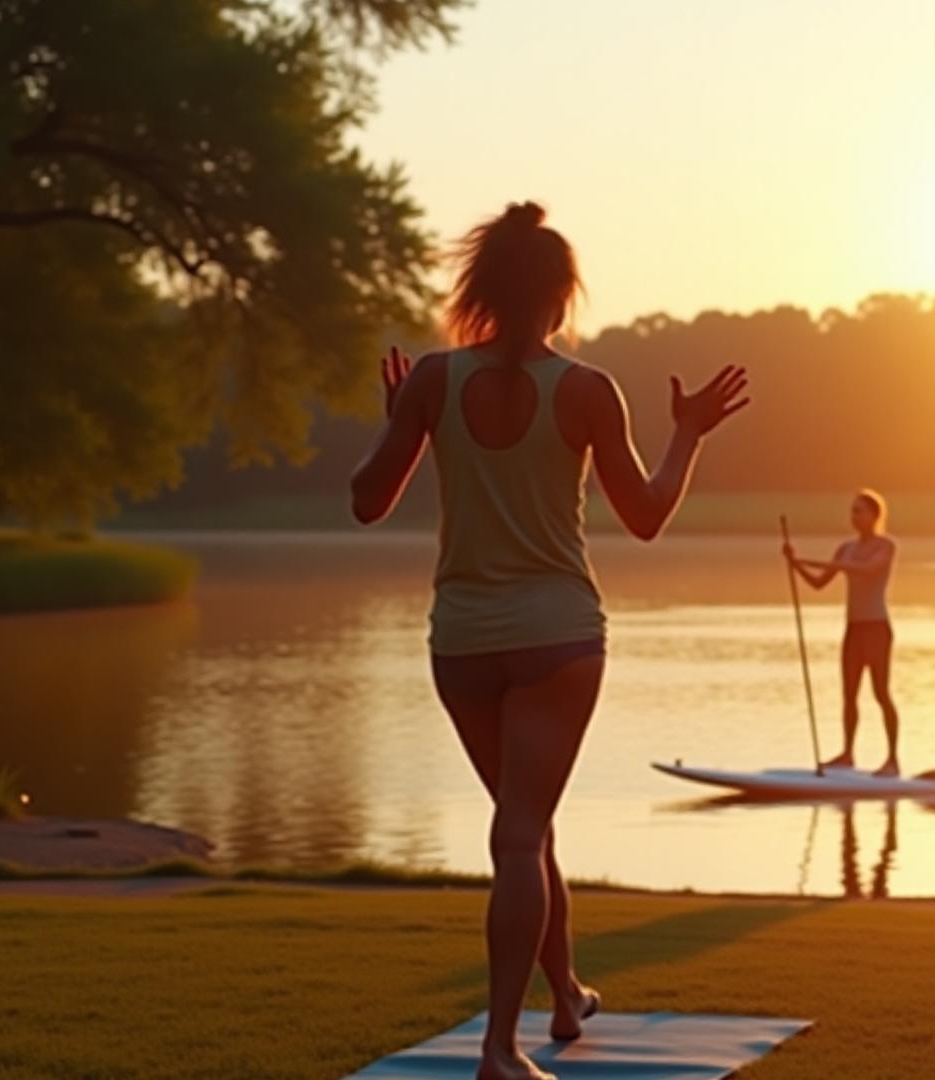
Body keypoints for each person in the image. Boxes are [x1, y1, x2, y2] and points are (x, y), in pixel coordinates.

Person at [349, 201, 748, 1080]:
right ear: (563, 295)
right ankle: (500, 1048)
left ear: (481, 289)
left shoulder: (432, 380)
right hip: (556, 638)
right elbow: (646, 515)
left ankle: (565, 996)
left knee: (523, 826)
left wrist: (402, 418)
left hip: (463, 641)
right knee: (522, 834)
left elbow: (366, 501)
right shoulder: (586, 390)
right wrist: (687, 433)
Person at [784, 490, 902, 777]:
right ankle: (847, 754)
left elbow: (867, 570)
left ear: (875, 515)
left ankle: (892, 761)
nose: (854, 517)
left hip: (877, 629)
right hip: (854, 629)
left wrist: (824, 563)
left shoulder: (886, 546)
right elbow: (818, 584)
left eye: (860, 511)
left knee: (881, 693)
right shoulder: (845, 548)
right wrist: (795, 563)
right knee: (849, 694)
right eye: (852, 511)